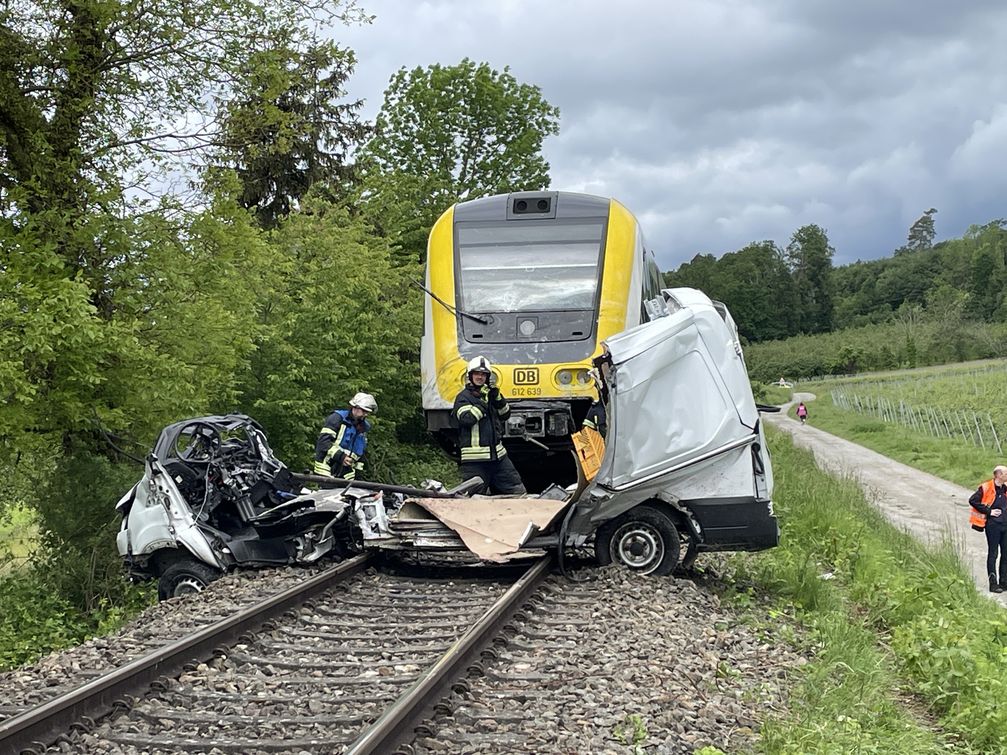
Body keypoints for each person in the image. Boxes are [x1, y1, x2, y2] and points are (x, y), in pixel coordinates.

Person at [452, 356, 527, 495]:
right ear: (470, 376)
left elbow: (505, 415)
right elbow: (467, 419)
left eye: (483, 374)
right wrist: (483, 402)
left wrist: (498, 398)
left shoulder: (490, 396)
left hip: (498, 459)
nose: (480, 377)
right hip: (474, 462)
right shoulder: (463, 397)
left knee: (517, 492)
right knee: (470, 500)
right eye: (477, 374)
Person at [312, 392, 377, 480]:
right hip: (326, 467)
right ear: (355, 407)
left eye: (368, 412)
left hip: (346, 472)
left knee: (355, 492)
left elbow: (359, 453)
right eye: (364, 411)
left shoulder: (363, 427)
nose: (365, 414)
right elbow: (324, 442)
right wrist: (341, 457)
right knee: (329, 492)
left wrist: (358, 478)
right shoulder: (337, 418)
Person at [969, 465, 1007, 593]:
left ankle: (1004, 582)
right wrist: (989, 511)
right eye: (1006, 473)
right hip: (993, 526)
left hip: (1005, 525)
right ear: (999, 475)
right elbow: (973, 500)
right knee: (993, 554)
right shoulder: (986, 487)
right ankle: (993, 584)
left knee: (1005, 554)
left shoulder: (1005, 488)